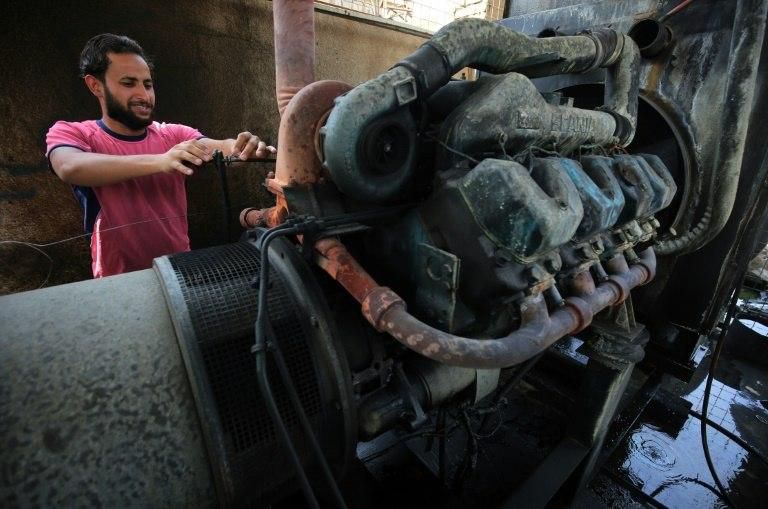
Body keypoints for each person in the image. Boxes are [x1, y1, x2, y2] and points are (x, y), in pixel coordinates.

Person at [46, 33, 275, 278]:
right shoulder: (74, 132)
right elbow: (70, 166)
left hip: (180, 270)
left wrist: (243, 147)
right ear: (95, 85)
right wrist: (161, 160)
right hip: (120, 280)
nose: (144, 96)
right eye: (128, 83)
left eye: (147, 84)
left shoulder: (173, 134)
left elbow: (218, 146)